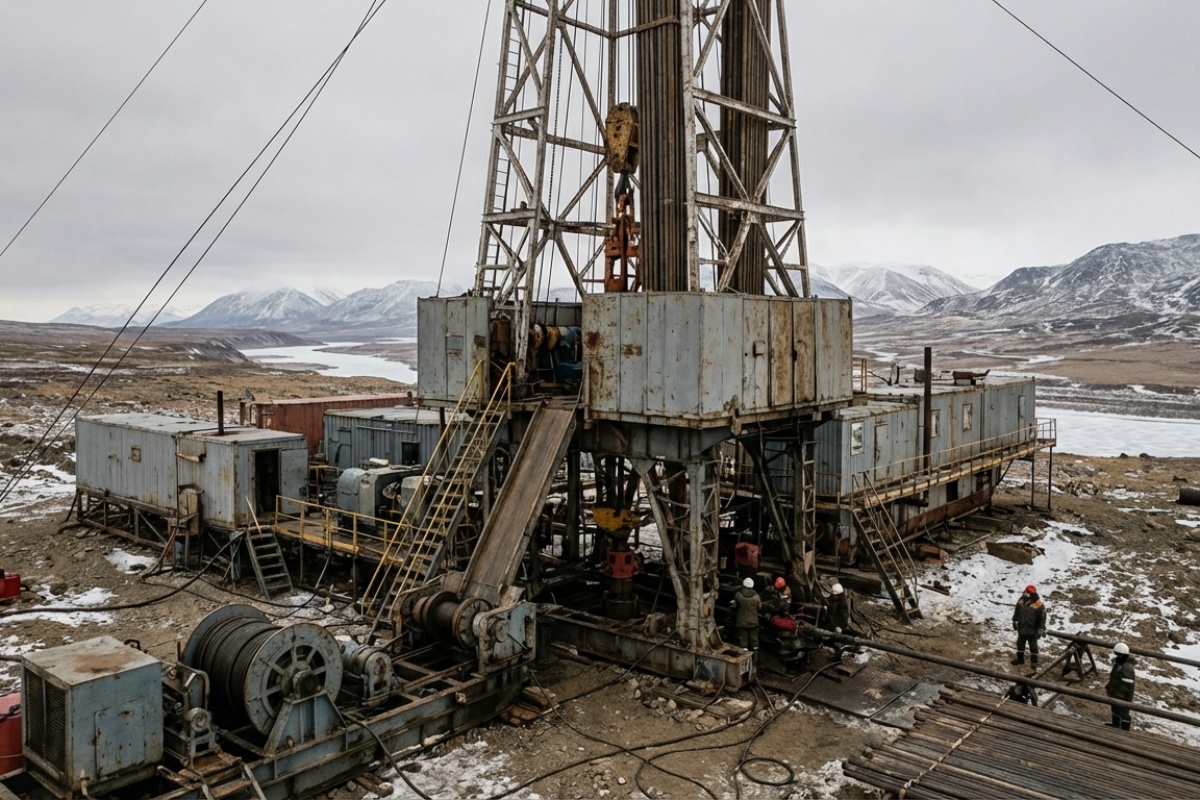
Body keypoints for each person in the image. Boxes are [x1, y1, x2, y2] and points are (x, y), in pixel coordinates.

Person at [1011, 584, 1047, 667]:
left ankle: (1034, 662)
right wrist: (1014, 621)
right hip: (1022, 628)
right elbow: (1017, 612)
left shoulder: (1039, 604)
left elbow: (1042, 618)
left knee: (1033, 647)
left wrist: (1041, 629)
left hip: (1033, 631)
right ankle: (1020, 659)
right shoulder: (1021, 600)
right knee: (1020, 645)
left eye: (1027, 593)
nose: (1025, 594)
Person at [1105, 641, 1136, 730]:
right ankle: (1116, 724)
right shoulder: (1120, 664)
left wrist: (1118, 694)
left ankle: (1124, 729)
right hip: (1115, 693)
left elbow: (1126, 686)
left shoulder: (1127, 668)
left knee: (1123, 712)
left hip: (1121, 696)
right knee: (1115, 709)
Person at [730, 577, 763, 650]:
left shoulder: (738, 595)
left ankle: (745, 659)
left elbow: (733, 606)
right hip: (754, 622)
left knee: (743, 642)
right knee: (754, 641)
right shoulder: (756, 597)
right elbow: (759, 607)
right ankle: (755, 658)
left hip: (741, 623)